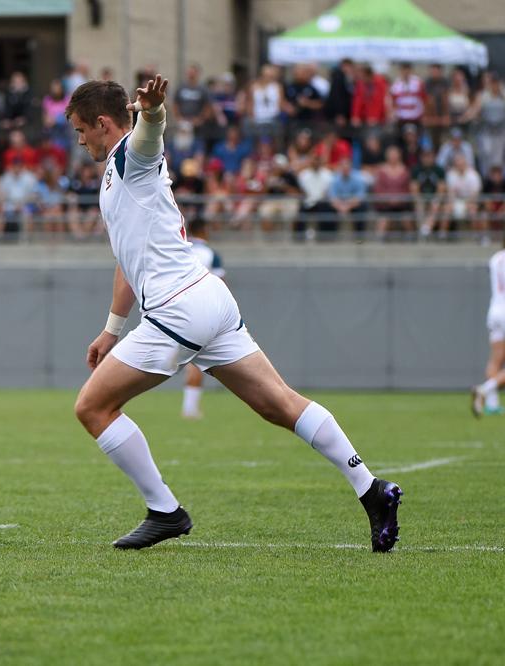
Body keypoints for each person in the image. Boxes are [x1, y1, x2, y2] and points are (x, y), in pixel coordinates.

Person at [65, 75, 402, 552]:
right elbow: (128, 260)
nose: (79, 141)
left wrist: (155, 113)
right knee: (278, 404)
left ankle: (165, 511)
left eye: (81, 130)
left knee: (92, 407)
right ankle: (373, 490)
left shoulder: (129, 156)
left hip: (177, 308)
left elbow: (148, 137)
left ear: (103, 123)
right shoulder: (117, 174)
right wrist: (112, 330)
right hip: (207, 297)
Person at [180, 218, 223, 419]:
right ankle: (190, 409)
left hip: (176, 309)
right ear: (204, 230)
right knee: (197, 360)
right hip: (203, 311)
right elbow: (220, 283)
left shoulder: (181, 250)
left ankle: (190, 407)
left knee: (189, 359)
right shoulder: (210, 254)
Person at [472, 242, 505, 417]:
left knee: (496, 360)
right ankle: (484, 390)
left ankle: (492, 405)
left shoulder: (495, 258)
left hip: (495, 311)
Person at [328, 158, 369, 239]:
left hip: (353, 205)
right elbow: (332, 197)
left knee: (362, 208)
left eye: (347, 167)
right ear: (340, 168)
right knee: (326, 208)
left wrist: (347, 207)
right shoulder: (335, 178)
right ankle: (329, 239)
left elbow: (360, 197)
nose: (345, 169)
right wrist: (341, 207)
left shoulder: (359, 178)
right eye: (343, 167)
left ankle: (359, 240)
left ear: (351, 168)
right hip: (339, 205)